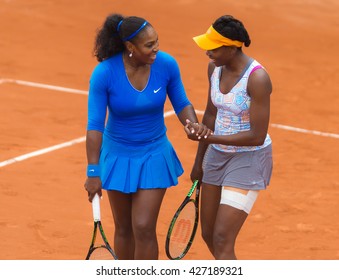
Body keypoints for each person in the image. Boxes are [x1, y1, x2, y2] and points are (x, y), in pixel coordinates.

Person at [84, 13, 210, 260]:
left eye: (157, 42)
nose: (156, 49)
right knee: (123, 228)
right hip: (117, 154)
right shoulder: (104, 73)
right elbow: (95, 125)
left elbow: (182, 102)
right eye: (149, 45)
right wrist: (92, 171)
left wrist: (191, 124)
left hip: (153, 153)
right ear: (130, 47)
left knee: (142, 225)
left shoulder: (166, 64)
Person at [184, 15, 273, 260]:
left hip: (249, 159)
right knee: (209, 234)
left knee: (223, 237)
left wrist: (211, 138)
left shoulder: (257, 79)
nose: (207, 53)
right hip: (216, 156)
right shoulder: (214, 68)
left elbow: (257, 136)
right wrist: (198, 162)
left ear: (232, 48)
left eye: (213, 48)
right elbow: (211, 113)